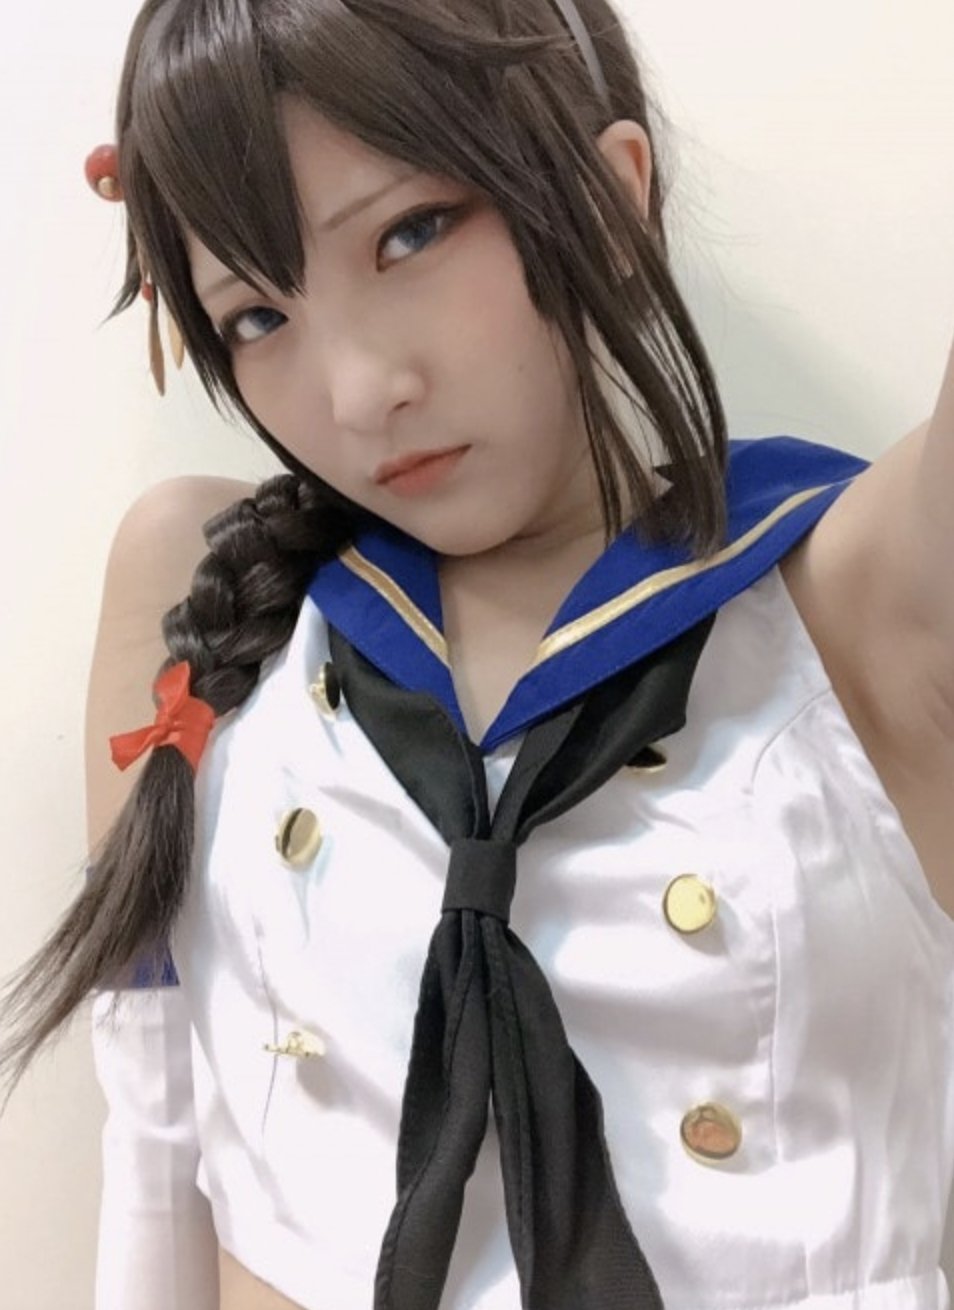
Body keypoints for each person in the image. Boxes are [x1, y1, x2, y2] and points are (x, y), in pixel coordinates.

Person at [3, 0, 953, 1307]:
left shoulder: (866, 592)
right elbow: (161, 1151)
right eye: (256, 316)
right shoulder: (207, 594)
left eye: (410, 233)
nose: (359, 393)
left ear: (609, 201)